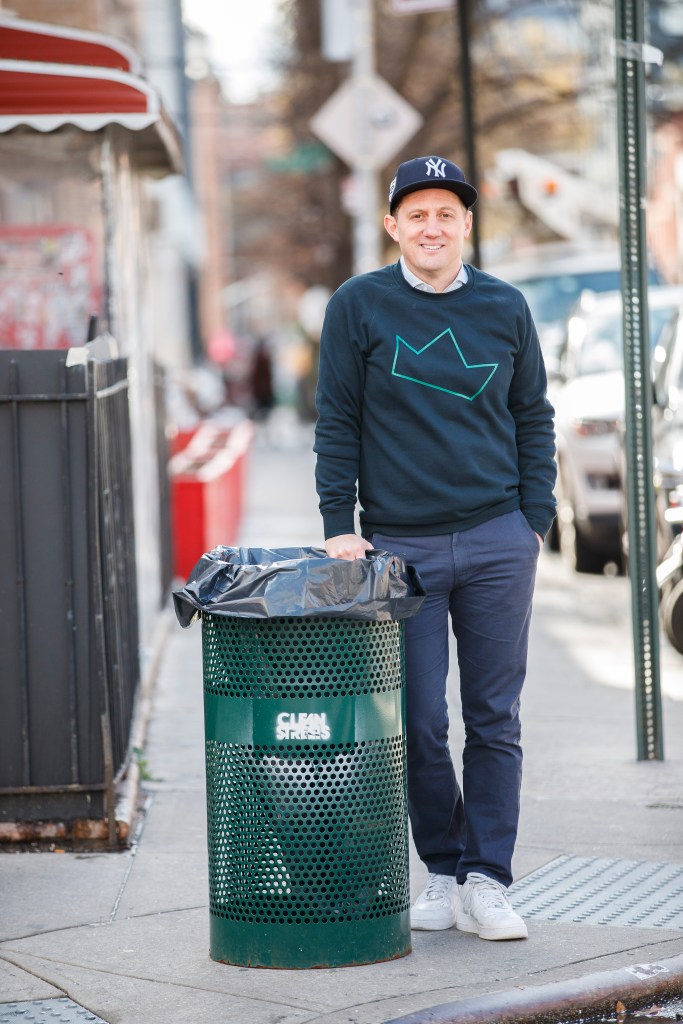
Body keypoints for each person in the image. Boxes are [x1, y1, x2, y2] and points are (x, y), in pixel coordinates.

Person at [314, 155, 556, 942]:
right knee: (417, 720)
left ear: (465, 226)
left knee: (494, 717)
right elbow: (336, 422)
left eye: (445, 214)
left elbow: (532, 416)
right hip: (399, 547)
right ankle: (441, 867)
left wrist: (535, 519)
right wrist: (338, 522)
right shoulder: (358, 306)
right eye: (415, 213)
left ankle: (487, 878)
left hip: (495, 538)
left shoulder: (505, 307)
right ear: (392, 225)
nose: (431, 227)